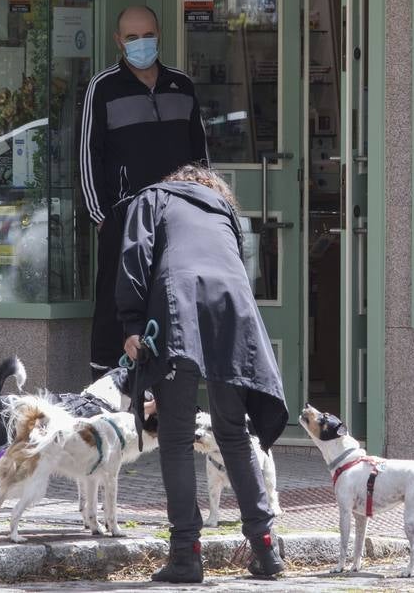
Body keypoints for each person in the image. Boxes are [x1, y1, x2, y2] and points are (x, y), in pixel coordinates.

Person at [116, 164, 288, 583]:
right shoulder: (224, 211)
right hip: (233, 312)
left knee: (175, 438)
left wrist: (131, 324)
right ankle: (266, 549)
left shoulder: (153, 198)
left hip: (179, 306)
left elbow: (134, 257)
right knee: (233, 433)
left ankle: (186, 555)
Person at [80, 5, 208, 375]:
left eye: (147, 35)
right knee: (115, 307)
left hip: (178, 220)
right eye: (132, 37)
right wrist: (103, 218)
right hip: (124, 220)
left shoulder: (182, 85)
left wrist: (203, 209)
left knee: (172, 301)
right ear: (118, 41)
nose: (141, 44)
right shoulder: (102, 87)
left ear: (159, 35)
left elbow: (201, 155)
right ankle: (107, 388)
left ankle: (168, 387)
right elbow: (88, 154)